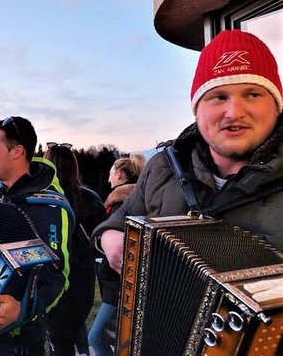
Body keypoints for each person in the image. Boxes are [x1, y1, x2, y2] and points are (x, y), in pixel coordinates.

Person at [95, 30, 283, 300]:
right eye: (219, 97)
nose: (234, 112)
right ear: (197, 109)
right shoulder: (164, 166)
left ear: (276, 105)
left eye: (252, 94)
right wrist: (109, 235)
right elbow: (124, 214)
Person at [0, 116, 72, 355]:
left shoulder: (49, 205)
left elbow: (59, 276)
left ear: (17, 152)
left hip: (18, 341)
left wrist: (23, 309)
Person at [44, 143, 106, 356]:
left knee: (59, 343)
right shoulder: (90, 198)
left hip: (55, 278)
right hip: (84, 279)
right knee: (72, 334)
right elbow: (100, 242)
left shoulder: (44, 201)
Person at [87, 154, 145, 356]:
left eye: (110, 172)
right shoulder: (130, 201)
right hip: (117, 287)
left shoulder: (121, 204)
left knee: (95, 337)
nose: (108, 178)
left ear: (119, 174)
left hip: (118, 288)